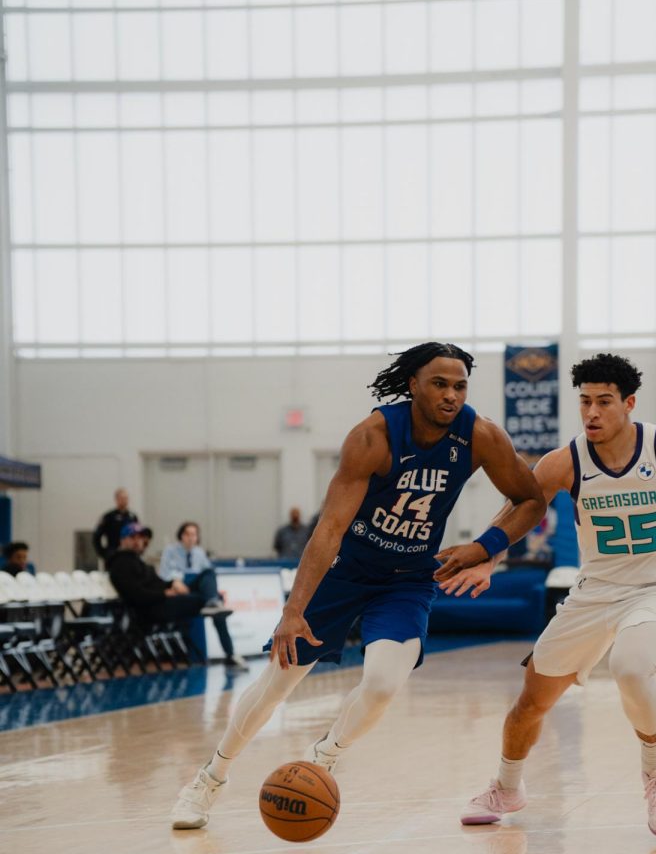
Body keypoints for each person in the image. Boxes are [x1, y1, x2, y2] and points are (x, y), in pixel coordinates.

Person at [171, 340, 546, 829]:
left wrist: (483, 548)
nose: (450, 395)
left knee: (385, 682)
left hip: (408, 579)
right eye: (439, 384)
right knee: (276, 684)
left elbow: (531, 499)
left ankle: (323, 756)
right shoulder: (373, 436)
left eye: (459, 386)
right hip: (345, 571)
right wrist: (293, 610)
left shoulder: (480, 436)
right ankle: (209, 778)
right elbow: (328, 529)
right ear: (413, 385)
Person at [439, 353, 656, 836]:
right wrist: (490, 556)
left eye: (604, 402)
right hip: (593, 593)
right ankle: (507, 786)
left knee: (630, 667)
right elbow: (521, 506)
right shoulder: (565, 461)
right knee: (530, 703)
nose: (591, 412)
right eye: (585, 401)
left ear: (628, 403)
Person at [108, 522, 246, 671]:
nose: (138, 541)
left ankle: (213, 603)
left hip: (164, 598)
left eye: (141, 537)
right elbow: (136, 595)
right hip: (153, 609)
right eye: (133, 537)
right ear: (123, 540)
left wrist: (172, 584)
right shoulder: (120, 564)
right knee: (209, 600)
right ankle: (229, 651)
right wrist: (165, 593)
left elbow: (157, 582)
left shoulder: (137, 561)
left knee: (208, 576)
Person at [159, 521, 248, 668]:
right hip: (178, 586)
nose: (190, 538)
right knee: (216, 604)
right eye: (187, 534)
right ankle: (213, 602)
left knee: (217, 603)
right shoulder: (170, 550)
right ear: (181, 536)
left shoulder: (199, 553)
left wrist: (212, 592)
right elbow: (163, 573)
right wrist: (173, 582)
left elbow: (207, 577)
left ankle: (230, 654)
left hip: (195, 588)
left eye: (194, 534)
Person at [92, 488, 138, 564]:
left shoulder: (132, 517)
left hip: (130, 555)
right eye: (122, 498)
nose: (124, 501)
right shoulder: (109, 517)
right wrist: (103, 553)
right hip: (113, 554)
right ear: (116, 500)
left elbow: (138, 536)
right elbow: (96, 536)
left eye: (126, 498)